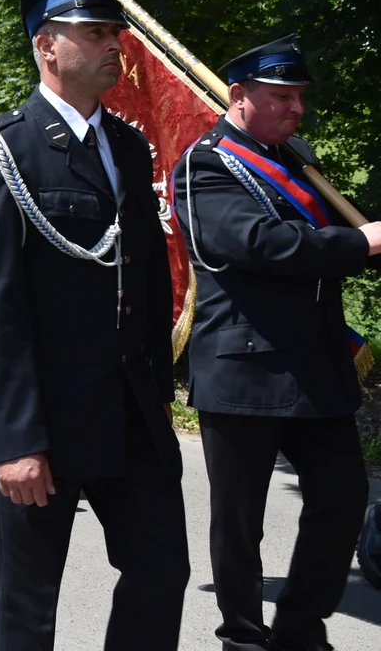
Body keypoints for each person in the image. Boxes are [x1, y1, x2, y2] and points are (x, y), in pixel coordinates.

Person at [0, 0, 190, 651]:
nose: (115, 43)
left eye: (114, 31)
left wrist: (158, 387)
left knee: (160, 573)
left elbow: (145, 283)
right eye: (95, 32)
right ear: (46, 46)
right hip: (41, 423)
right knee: (28, 612)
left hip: (130, 415)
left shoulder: (127, 145)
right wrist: (18, 438)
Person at [173, 35, 377, 651]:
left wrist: (362, 238)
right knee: (240, 521)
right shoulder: (205, 164)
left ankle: (299, 624)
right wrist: (361, 244)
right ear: (239, 97)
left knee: (343, 496)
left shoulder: (294, 157)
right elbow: (258, 244)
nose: (296, 109)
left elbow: (344, 230)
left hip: (317, 366)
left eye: (300, 97)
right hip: (245, 369)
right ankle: (242, 635)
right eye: (281, 96)